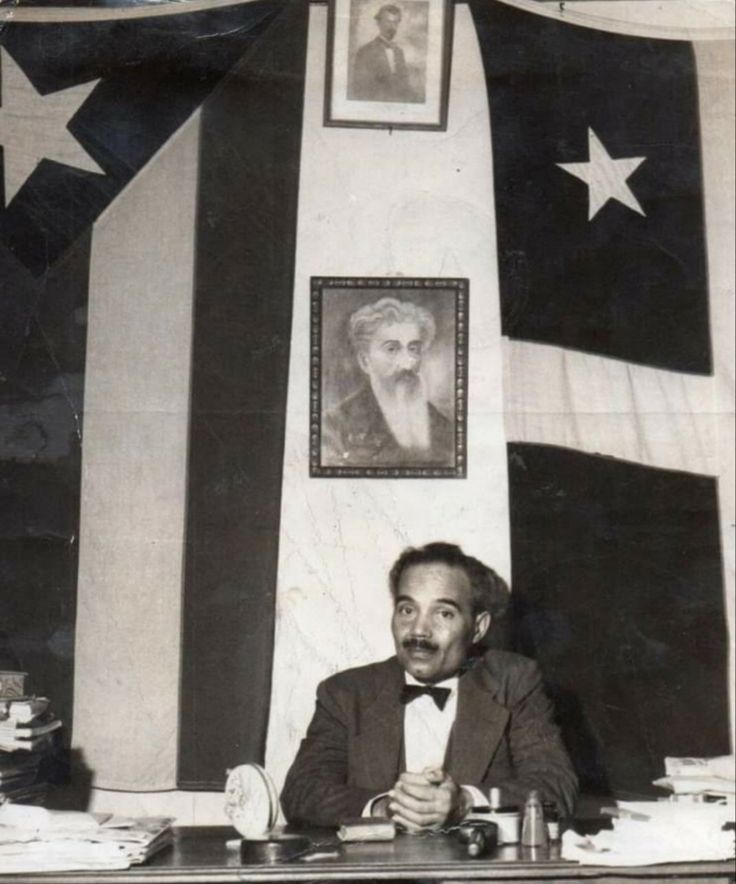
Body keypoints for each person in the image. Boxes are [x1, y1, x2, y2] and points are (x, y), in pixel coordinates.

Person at [281, 542, 578, 829]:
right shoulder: (345, 692)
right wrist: (383, 806)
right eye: (407, 610)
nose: (419, 631)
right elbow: (301, 792)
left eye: (443, 613)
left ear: (478, 627)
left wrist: (465, 803)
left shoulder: (514, 681)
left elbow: (555, 787)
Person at [322, 297, 454, 468]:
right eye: (392, 349)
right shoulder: (334, 426)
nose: (407, 362)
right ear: (365, 361)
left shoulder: (444, 428)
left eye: (414, 349)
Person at [350, 4, 417, 103]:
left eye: (395, 22)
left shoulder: (399, 52)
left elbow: (405, 85)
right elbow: (360, 90)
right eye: (388, 22)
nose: (392, 27)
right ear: (378, 23)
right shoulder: (365, 52)